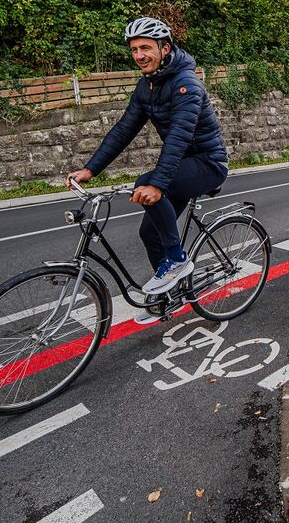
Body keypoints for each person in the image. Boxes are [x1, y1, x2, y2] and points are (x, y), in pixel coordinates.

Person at [66, 16, 228, 311]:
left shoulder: (186, 85)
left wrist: (157, 183)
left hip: (207, 164)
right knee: (149, 232)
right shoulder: (147, 87)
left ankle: (177, 261)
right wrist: (91, 168)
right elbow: (123, 130)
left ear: (165, 48)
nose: (139, 55)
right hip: (182, 168)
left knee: (145, 183)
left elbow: (178, 137)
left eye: (145, 47)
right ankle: (171, 294)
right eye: (134, 50)